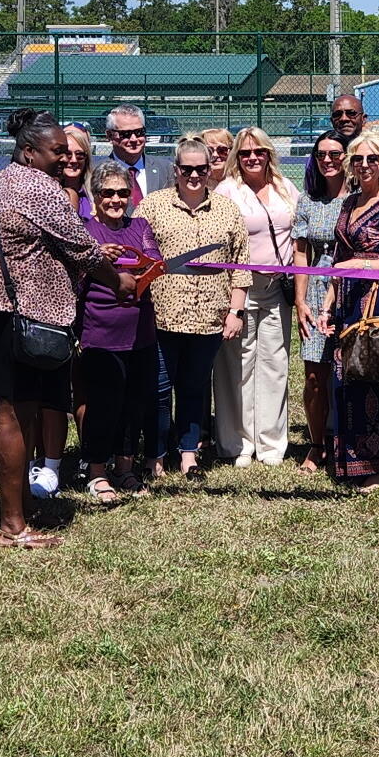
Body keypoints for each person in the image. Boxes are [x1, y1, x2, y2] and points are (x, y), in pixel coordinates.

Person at [0, 109, 131, 549]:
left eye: (69, 150)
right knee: (15, 417)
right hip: (22, 316)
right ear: (30, 152)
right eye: (58, 150)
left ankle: (19, 508)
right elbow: (82, 247)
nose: (66, 157)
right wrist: (121, 283)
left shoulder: (0, 180)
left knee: (21, 411)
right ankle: (12, 526)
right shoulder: (39, 187)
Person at [139, 135, 248, 481]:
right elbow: (136, 257)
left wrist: (236, 311)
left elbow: (240, 264)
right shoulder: (152, 207)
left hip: (209, 317)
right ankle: (155, 455)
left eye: (201, 168)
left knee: (194, 388)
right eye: (187, 169)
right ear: (176, 170)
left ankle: (189, 454)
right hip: (161, 315)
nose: (195, 176)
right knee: (158, 389)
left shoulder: (227, 209)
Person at [327, 130, 379, 490]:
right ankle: (349, 461)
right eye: (358, 159)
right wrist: (327, 308)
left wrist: (362, 263)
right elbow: (336, 259)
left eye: (371, 159)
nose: (364, 165)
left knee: (375, 379)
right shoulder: (347, 204)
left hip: (375, 303)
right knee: (344, 380)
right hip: (346, 302)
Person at [213, 124, 299, 467]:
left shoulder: (284, 187)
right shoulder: (227, 190)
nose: (252, 157)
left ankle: (271, 444)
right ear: (237, 156)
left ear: (269, 155)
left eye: (259, 151)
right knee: (237, 366)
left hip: (278, 288)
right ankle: (238, 443)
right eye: (245, 152)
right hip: (240, 288)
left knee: (275, 364)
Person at [78, 159, 162, 502]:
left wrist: (136, 262)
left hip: (141, 329)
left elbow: (154, 261)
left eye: (123, 193)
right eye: (108, 193)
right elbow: (74, 275)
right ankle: (96, 471)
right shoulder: (84, 230)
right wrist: (97, 257)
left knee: (134, 403)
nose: (116, 199)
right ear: (96, 195)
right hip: (100, 329)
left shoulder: (140, 225)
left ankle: (125, 468)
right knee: (103, 403)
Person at [33, 121, 98, 497]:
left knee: (80, 385)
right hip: (49, 301)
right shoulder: (46, 193)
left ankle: (82, 460)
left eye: (79, 154)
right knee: (44, 386)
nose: (71, 159)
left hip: (85, 299)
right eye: (64, 153)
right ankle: (40, 462)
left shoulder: (92, 194)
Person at [292, 131, 350, 473]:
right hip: (315, 289)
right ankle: (317, 445)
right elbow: (301, 252)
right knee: (315, 375)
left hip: (352, 289)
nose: (328, 160)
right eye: (321, 155)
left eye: (335, 154)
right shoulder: (307, 201)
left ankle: (349, 442)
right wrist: (300, 300)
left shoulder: (359, 198)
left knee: (351, 372)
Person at [104, 105, 172, 204]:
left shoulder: (166, 169)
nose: (134, 139)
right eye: (126, 134)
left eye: (139, 132)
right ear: (109, 136)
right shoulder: (95, 172)